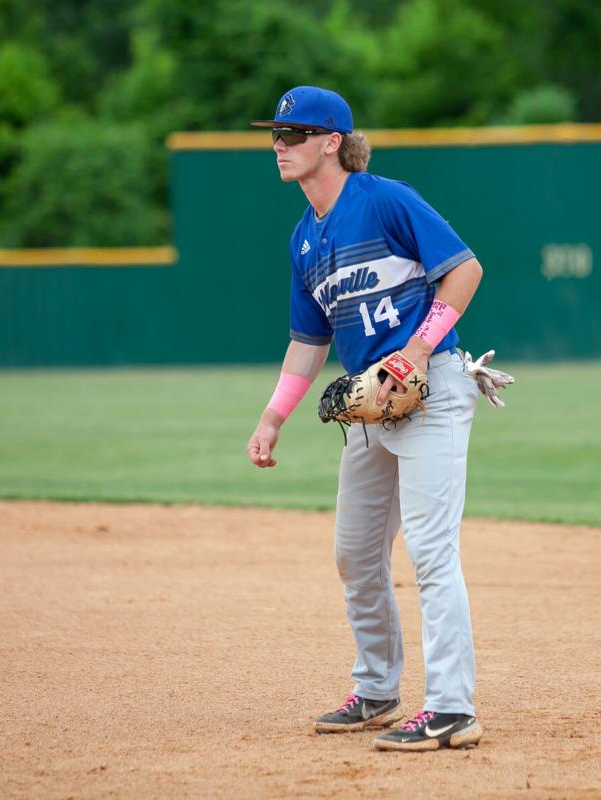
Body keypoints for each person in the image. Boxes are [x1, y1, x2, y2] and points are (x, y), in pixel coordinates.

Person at [245, 86, 487, 752]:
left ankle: (451, 709)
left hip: (428, 389)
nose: (279, 145)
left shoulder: (383, 199)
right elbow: (308, 343)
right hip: (368, 406)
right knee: (355, 555)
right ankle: (378, 689)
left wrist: (416, 350)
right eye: (275, 134)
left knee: (432, 554)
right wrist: (273, 417)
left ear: (331, 142)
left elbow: (465, 270)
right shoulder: (304, 241)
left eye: (293, 134)